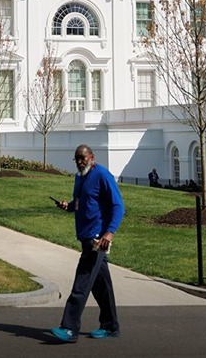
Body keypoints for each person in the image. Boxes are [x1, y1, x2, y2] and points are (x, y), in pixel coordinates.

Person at [51, 144, 125, 342]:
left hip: (97, 239)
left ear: (92, 157)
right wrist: (68, 206)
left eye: (83, 158)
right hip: (85, 237)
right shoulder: (80, 177)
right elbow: (80, 203)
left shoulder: (102, 175)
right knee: (102, 286)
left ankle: (69, 328)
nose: (79, 162)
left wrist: (109, 233)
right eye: (76, 159)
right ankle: (110, 326)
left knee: (81, 283)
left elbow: (118, 206)